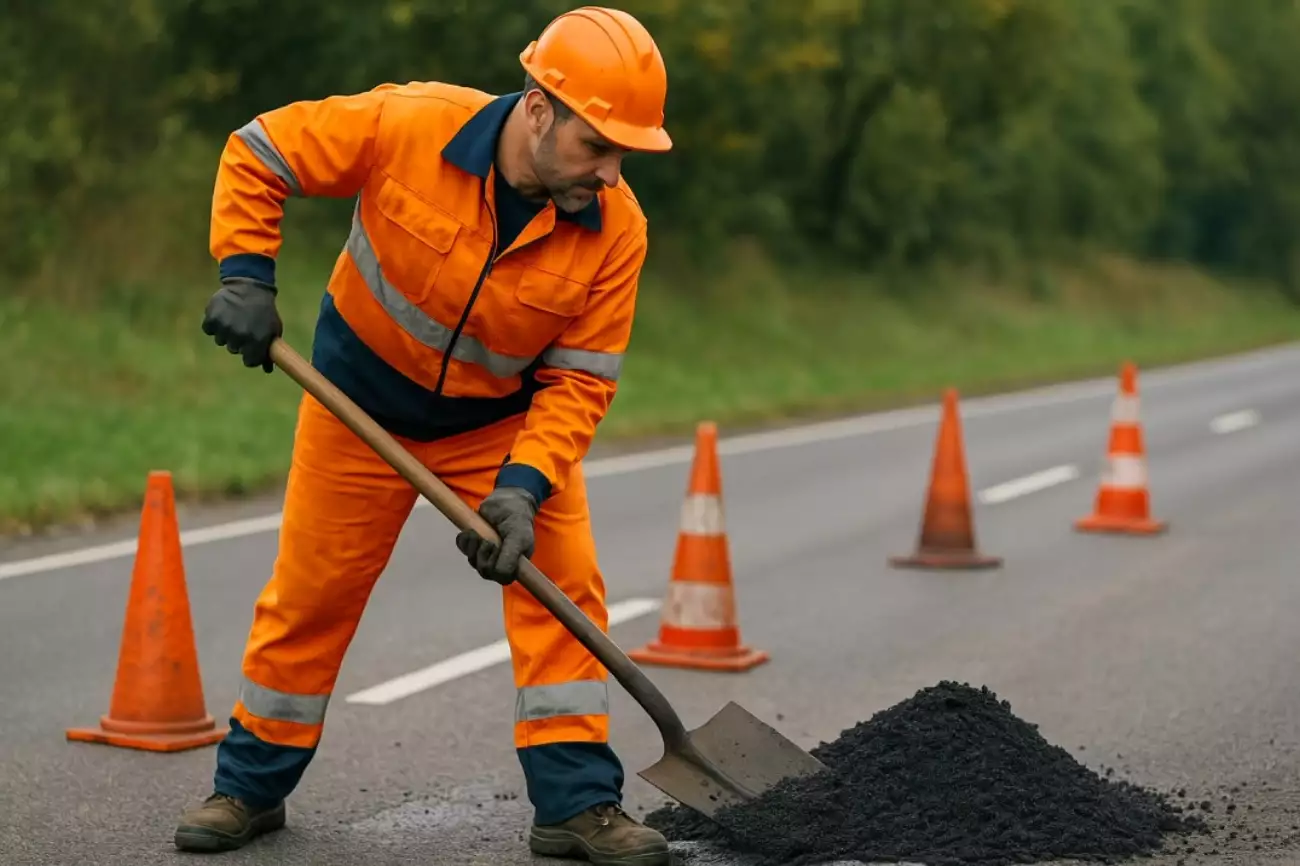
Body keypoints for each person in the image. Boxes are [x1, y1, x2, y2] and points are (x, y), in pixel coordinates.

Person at [173, 7, 674, 865]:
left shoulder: (616, 231)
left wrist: (523, 487)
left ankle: (577, 806)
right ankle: (248, 790)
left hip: (495, 430)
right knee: (311, 599)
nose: (612, 171)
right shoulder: (413, 124)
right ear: (541, 110)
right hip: (354, 406)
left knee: (563, 593)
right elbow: (258, 149)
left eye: (626, 151)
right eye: (599, 146)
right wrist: (246, 274)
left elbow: (579, 382)